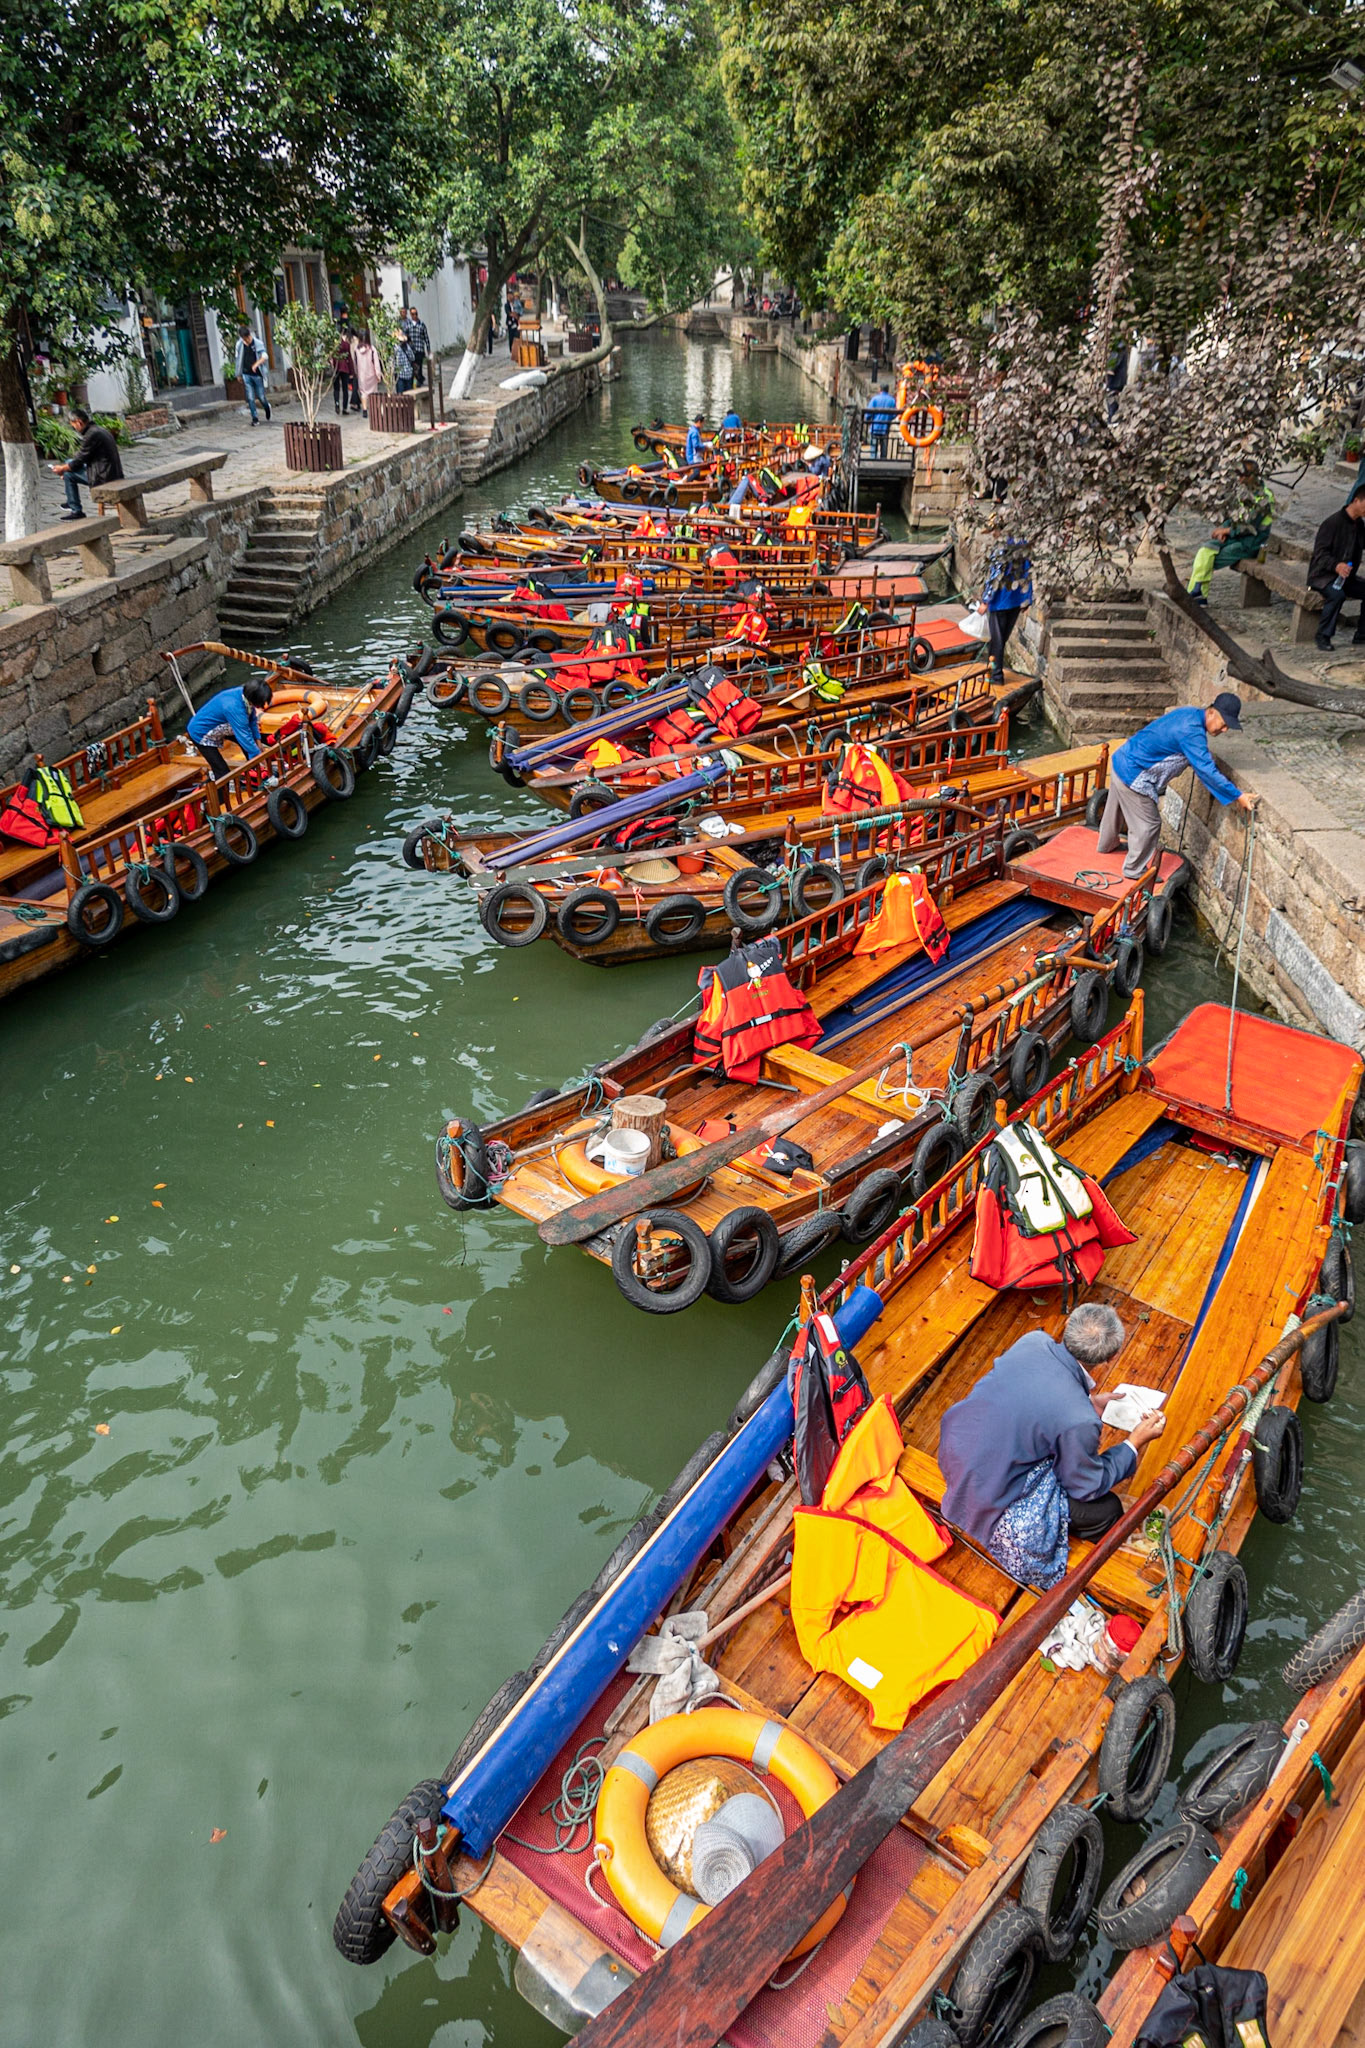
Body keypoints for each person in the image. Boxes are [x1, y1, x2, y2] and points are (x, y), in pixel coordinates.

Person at [938, 1303, 1167, 1588]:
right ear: (1109, 1358)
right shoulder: (1079, 1419)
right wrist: (1134, 1443)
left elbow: (1034, 1395)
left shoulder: (1033, 1340)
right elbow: (1084, 1485)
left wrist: (1089, 1402)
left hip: (955, 1448)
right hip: (991, 1495)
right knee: (1106, 1509)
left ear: (1069, 1326)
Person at [1098, 693, 1257, 880]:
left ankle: (1106, 845)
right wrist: (1237, 795)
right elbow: (1207, 770)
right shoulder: (1191, 732)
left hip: (1122, 759)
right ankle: (1134, 871)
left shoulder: (1189, 713)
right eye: (1224, 723)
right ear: (1212, 712)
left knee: (1114, 810)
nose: (1224, 730)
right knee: (1149, 825)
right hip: (1134, 774)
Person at [1187, 465, 1275, 603]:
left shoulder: (1264, 498)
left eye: (1243, 476)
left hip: (1251, 544)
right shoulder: (1244, 491)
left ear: (1253, 476)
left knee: (1209, 561)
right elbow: (1233, 516)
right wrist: (1224, 528)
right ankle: (1196, 593)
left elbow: (1250, 526)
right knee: (1205, 550)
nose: (1239, 480)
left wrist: (1226, 531)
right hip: (1235, 537)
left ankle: (1198, 594)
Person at [1309, 483, 1365, 649]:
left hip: (1345, 576)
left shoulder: (1359, 525)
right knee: (1337, 595)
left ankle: (1361, 634)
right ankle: (1323, 635)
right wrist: (1336, 565)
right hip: (1323, 576)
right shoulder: (1332, 523)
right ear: (1356, 501)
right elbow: (1319, 555)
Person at [186, 677, 272, 780]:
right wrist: (259, 757)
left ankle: (256, 773)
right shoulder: (234, 708)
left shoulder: (245, 695)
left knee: (252, 746)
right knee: (222, 772)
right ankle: (220, 793)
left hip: (224, 725)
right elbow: (244, 736)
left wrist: (259, 743)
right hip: (201, 732)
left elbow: (252, 720)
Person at [980, 527, 1033, 685]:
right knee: (1002, 639)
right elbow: (1029, 573)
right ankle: (993, 672)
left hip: (1000, 600)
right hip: (1016, 600)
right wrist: (1027, 598)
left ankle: (995, 676)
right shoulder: (1023, 546)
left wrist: (985, 600)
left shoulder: (1001, 549)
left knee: (997, 640)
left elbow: (995, 576)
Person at [51, 407, 123, 521]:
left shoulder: (91, 435)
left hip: (104, 477)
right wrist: (66, 467)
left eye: (73, 425)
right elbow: (81, 458)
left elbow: (80, 460)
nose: (74, 428)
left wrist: (63, 469)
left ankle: (76, 510)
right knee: (68, 463)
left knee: (68, 475)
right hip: (109, 471)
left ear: (79, 422)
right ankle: (71, 502)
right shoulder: (98, 429)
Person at [234, 326, 272, 425]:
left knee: (261, 397)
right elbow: (238, 360)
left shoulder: (257, 343)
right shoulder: (239, 345)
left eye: (247, 338)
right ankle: (255, 419)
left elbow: (265, 356)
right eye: (244, 339)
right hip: (246, 374)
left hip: (257, 375)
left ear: (249, 335)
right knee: (250, 398)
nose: (246, 340)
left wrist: (256, 364)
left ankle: (267, 407)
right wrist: (238, 374)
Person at [352, 329, 381, 416]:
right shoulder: (372, 349)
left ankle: (364, 410)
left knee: (363, 392)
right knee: (373, 392)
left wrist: (356, 372)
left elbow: (355, 362)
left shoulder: (356, 349)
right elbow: (376, 363)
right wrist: (378, 374)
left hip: (361, 375)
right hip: (372, 375)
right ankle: (374, 409)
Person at [866, 383, 897, 458]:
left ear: (880, 389)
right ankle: (883, 460)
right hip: (885, 427)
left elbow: (868, 413)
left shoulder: (875, 399)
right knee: (884, 447)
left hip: (875, 426)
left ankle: (873, 460)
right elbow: (894, 414)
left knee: (873, 447)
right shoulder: (892, 400)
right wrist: (888, 418)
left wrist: (868, 419)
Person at [404, 308, 430, 388]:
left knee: (419, 366)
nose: (415, 315)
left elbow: (426, 337)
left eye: (416, 313)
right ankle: (413, 381)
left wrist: (428, 349)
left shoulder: (421, 324)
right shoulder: (408, 325)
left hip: (419, 349)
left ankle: (419, 380)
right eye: (413, 314)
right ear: (410, 315)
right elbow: (405, 337)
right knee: (412, 367)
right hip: (411, 350)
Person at [332, 331, 356, 416]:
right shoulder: (346, 344)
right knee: (345, 389)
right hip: (345, 368)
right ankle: (345, 408)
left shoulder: (332, 346)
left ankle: (337, 403)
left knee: (336, 388)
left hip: (335, 368)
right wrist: (352, 371)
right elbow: (349, 358)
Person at [393, 329, 415, 394]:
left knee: (400, 395)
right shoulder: (407, 346)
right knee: (409, 394)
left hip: (400, 375)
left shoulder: (394, 348)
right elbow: (412, 358)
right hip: (408, 373)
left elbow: (393, 362)